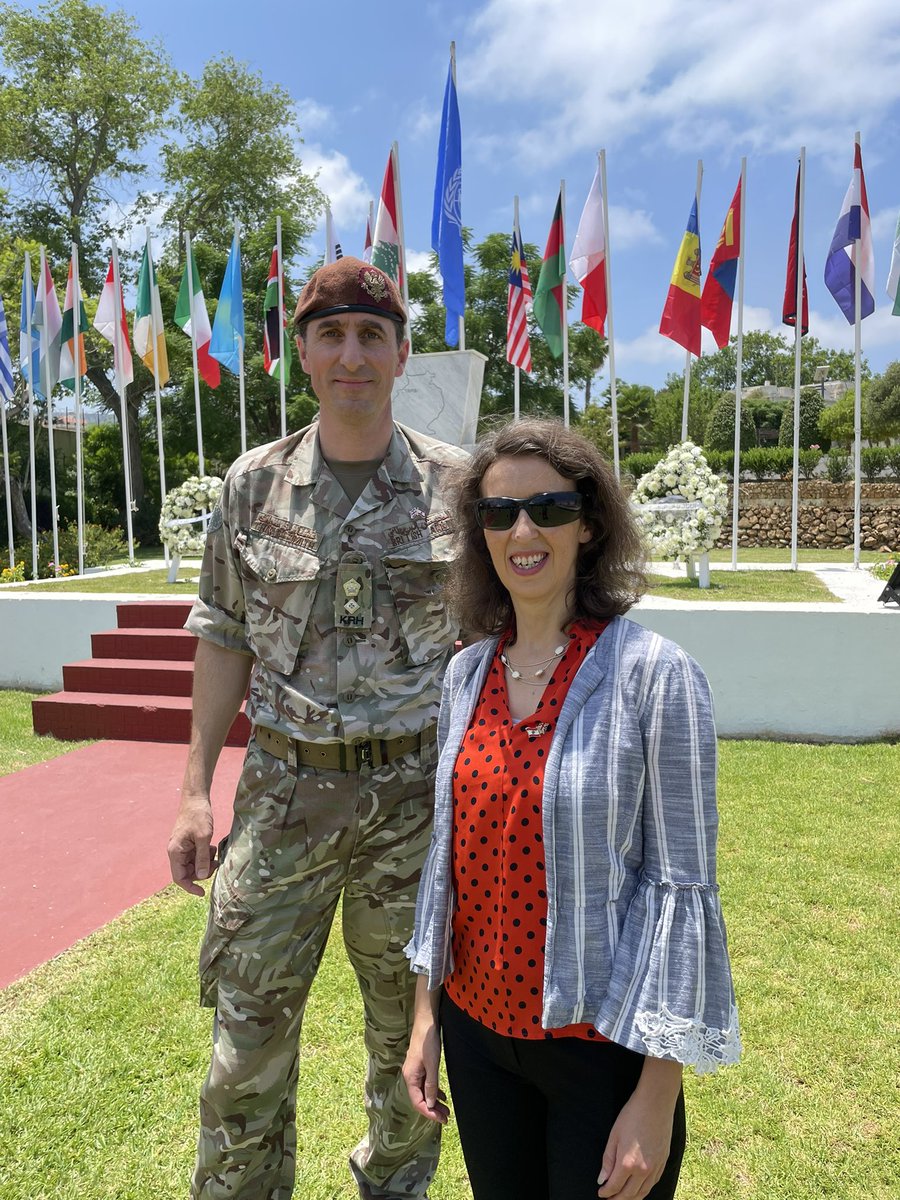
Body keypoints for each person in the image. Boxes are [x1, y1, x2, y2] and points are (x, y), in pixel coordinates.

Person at [166, 256, 469, 1200]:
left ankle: (395, 1187)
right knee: (245, 1041)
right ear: (302, 352)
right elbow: (222, 638)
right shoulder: (251, 488)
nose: (352, 355)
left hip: (414, 806)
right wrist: (191, 794)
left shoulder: (459, 489)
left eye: (371, 335)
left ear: (401, 352)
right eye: (331, 335)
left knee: (410, 1043)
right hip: (282, 797)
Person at [402, 420, 741, 1200]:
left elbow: (681, 889)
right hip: (480, 1041)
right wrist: (427, 1020)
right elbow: (446, 862)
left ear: (588, 525)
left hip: (603, 1050)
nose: (523, 530)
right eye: (498, 513)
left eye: (549, 508)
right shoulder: (465, 675)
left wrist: (657, 1098)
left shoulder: (655, 676)